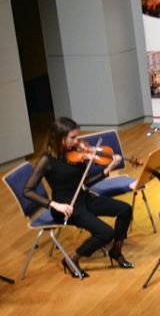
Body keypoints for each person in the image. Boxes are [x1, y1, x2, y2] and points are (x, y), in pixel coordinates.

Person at [22, 117, 134, 278]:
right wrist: (54, 205)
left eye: (77, 136)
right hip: (66, 207)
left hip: (84, 198)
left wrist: (107, 169)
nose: (77, 141)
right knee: (106, 233)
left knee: (125, 209)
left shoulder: (76, 155)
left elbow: (85, 183)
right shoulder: (47, 160)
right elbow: (27, 190)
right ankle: (72, 259)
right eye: (72, 137)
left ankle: (116, 251)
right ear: (58, 137)